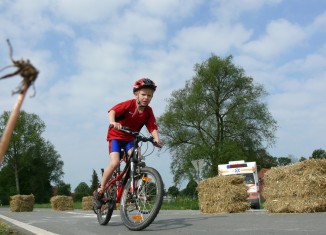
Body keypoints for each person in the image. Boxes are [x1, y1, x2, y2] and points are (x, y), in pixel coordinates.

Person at [93, 78, 163, 208]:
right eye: (143, 94)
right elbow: (112, 111)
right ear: (136, 94)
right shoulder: (129, 104)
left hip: (130, 139)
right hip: (116, 137)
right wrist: (113, 122)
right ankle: (101, 189)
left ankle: (132, 190)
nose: (146, 97)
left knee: (137, 161)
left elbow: (152, 126)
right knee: (115, 162)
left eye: (149, 95)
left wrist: (156, 138)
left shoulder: (148, 111)